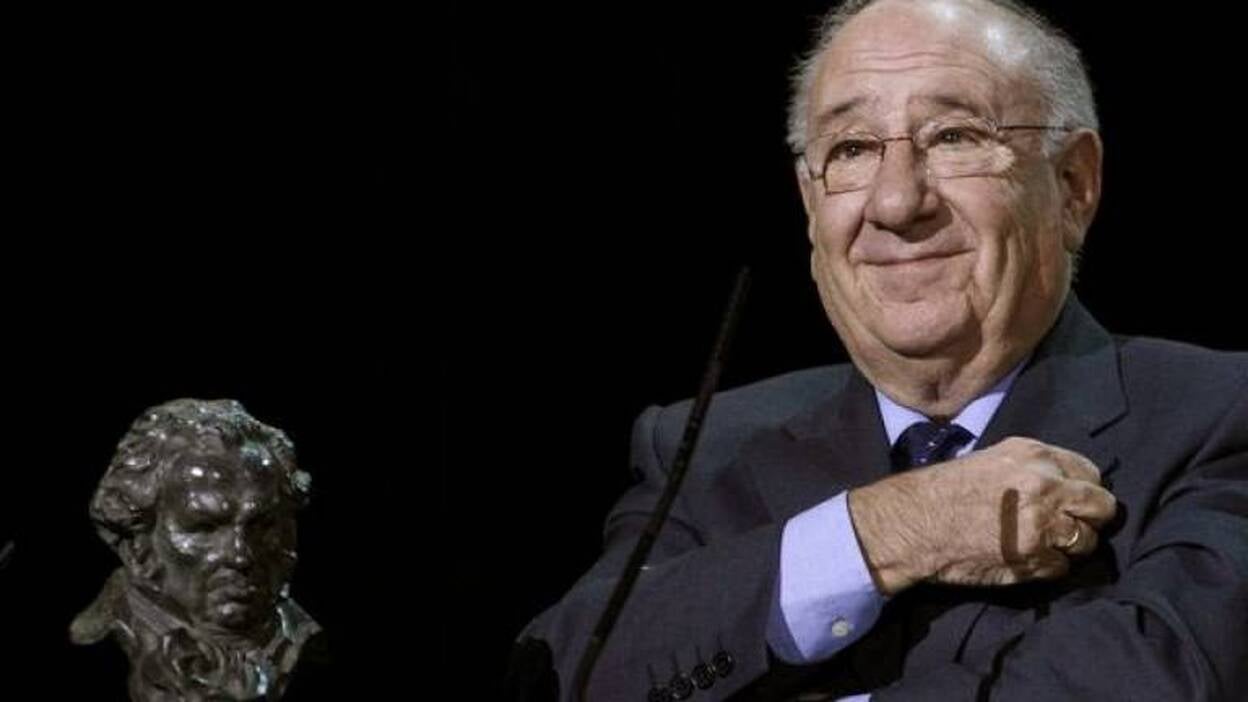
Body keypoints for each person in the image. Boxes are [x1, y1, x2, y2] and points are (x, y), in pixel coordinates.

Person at [515, 0, 1248, 700]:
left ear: (1073, 186)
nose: (896, 203)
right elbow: (567, 677)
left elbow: (1164, 680)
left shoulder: (1220, 418)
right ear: (811, 205)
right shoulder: (705, 450)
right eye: (853, 149)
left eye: (954, 137)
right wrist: (883, 530)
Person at [72, 398, 324, 701]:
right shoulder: (97, 656)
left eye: (263, 526)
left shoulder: (305, 644)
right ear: (137, 540)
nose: (240, 555)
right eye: (204, 528)